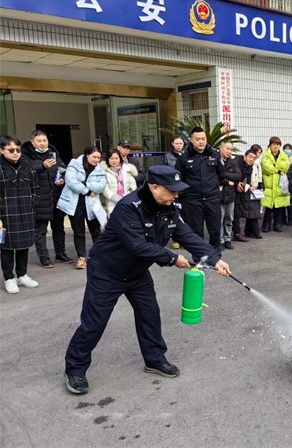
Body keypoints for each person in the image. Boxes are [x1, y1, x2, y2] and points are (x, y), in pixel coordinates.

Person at [63, 165, 231, 395]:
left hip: (137, 272)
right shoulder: (128, 208)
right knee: (94, 323)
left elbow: (186, 234)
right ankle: (75, 369)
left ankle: (154, 359)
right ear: (153, 187)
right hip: (107, 272)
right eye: (171, 190)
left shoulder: (169, 207)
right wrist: (173, 259)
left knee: (149, 315)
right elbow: (137, 245)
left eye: (177, 190)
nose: (176, 195)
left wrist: (213, 259)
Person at [21, 130, 72, 268]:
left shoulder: (53, 154)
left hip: (55, 196)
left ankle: (60, 254)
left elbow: (63, 168)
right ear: (32, 142)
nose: (42, 144)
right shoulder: (26, 156)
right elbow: (26, 173)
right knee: (41, 231)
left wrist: (61, 179)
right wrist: (42, 166)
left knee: (59, 228)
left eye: (44, 140)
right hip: (40, 198)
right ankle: (43, 257)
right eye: (39, 141)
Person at [175, 127, 224, 255]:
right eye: (197, 139)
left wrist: (218, 190)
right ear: (191, 140)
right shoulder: (184, 158)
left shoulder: (215, 155)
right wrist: (184, 196)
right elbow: (179, 179)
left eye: (203, 139)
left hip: (212, 199)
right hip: (193, 200)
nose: (201, 142)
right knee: (196, 231)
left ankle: (215, 255)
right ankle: (200, 255)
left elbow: (221, 175)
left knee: (215, 229)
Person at [0, 136, 40, 294]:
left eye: (18, 150)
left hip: (25, 211)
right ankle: (9, 278)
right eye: (11, 150)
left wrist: (32, 204)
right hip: (6, 214)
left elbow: (36, 187)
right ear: (1, 150)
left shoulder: (27, 165)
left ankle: (22, 275)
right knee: (6, 248)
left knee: (24, 246)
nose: (16, 153)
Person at [57, 146, 107, 270]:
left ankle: (98, 256)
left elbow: (101, 186)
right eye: (94, 157)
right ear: (86, 155)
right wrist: (87, 191)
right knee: (79, 233)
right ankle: (81, 258)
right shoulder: (74, 165)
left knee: (96, 231)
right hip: (75, 205)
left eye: (99, 158)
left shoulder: (100, 170)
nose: (96, 160)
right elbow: (71, 182)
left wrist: (85, 184)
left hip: (92, 205)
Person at [260, 136, 290, 233]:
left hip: (280, 184)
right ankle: (266, 224)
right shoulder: (266, 155)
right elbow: (265, 167)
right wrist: (277, 170)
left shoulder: (284, 156)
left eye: (278, 144)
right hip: (269, 184)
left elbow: (286, 166)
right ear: (270, 145)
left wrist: (274, 167)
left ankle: (277, 224)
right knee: (268, 206)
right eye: (274, 144)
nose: (276, 146)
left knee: (279, 206)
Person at [162, 135, 187, 249]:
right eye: (176, 143)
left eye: (180, 143)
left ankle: (186, 238)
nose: (178, 146)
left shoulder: (187, 155)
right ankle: (176, 239)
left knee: (186, 214)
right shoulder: (167, 157)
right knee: (175, 213)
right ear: (172, 143)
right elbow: (164, 173)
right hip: (173, 189)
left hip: (186, 188)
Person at [100, 148, 137, 216]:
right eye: (111, 158)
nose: (114, 161)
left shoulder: (127, 169)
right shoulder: (104, 171)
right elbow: (105, 189)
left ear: (120, 159)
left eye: (116, 158)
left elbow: (133, 185)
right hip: (112, 203)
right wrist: (117, 198)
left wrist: (125, 196)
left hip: (127, 201)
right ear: (108, 159)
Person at [232, 148, 257, 240]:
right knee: (227, 215)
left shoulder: (250, 166)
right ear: (245, 156)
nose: (251, 159)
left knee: (237, 212)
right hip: (229, 190)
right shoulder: (235, 162)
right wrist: (236, 182)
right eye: (250, 157)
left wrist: (249, 186)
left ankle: (237, 233)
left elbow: (247, 179)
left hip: (240, 190)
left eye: (254, 158)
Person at [219, 142, 237, 250]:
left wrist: (223, 176)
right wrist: (227, 181)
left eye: (231, 149)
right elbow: (215, 176)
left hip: (230, 195)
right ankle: (220, 240)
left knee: (229, 218)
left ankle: (227, 239)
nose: (229, 151)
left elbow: (237, 176)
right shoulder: (216, 161)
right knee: (219, 219)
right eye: (227, 149)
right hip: (219, 195)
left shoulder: (233, 162)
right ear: (220, 148)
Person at [282, 143, 292, 226]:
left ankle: (290, 219)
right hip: (282, 183)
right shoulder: (282, 159)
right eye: (285, 149)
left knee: (289, 203)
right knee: (282, 203)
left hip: (290, 184)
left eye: (288, 149)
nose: (287, 150)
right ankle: (283, 219)